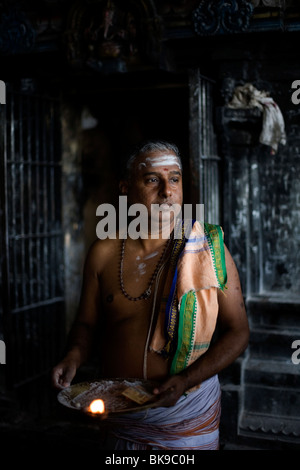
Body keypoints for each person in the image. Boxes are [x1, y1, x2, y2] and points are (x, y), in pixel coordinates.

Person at [52, 140, 249, 450]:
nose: (167, 191)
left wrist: (186, 380)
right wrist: (74, 355)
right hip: (120, 412)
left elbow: (238, 332)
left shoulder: (208, 250)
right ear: (125, 188)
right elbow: (86, 324)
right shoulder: (102, 254)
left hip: (186, 412)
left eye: (174, 179)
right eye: (152, 179)